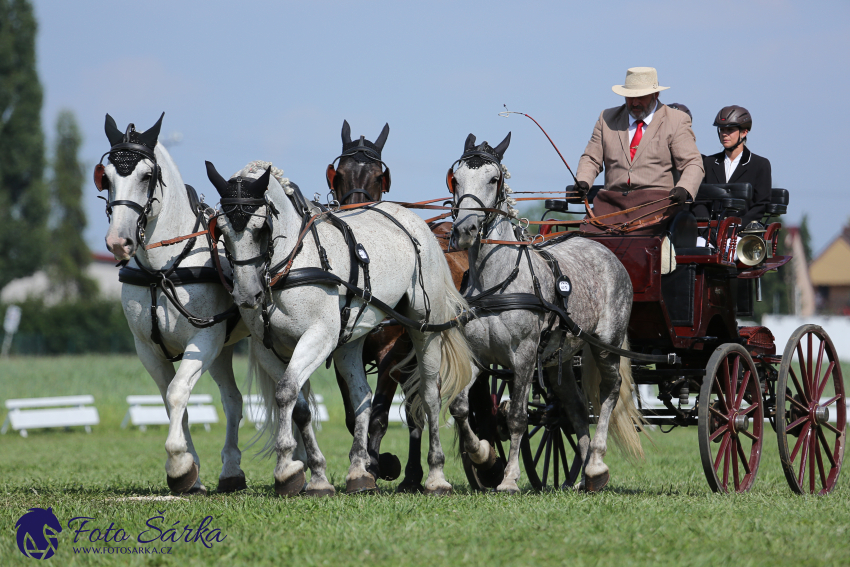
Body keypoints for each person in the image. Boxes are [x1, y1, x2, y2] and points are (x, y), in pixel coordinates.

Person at [575, 67, 704, 205]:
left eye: (641, 97)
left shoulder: (676, 120)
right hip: (612, 204)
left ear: (656, 95)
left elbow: (692, 163)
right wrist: (583, 181)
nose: (635, 103)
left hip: (657, 206)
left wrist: (684, 188)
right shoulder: (606, 119)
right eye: (630, 97)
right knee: (583, 227)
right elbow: (591, 158)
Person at [702, 105, 772, 226]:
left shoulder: (760, 165)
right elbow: (700, 201)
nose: (724, 134)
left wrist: (737, 227)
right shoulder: (708, 162)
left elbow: (761, 205)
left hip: (741, 233)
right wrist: (706, 227)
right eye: (722, 130)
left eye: (730, 130)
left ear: (744, 132)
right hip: (709, 232)